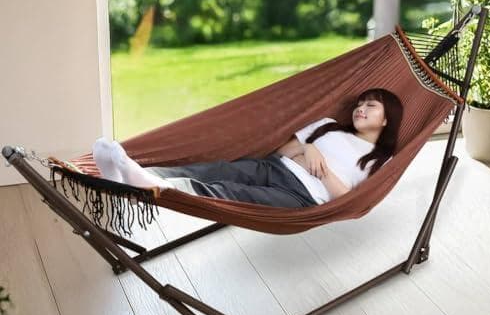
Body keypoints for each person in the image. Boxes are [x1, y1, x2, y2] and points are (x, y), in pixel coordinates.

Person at [93, 88, 403, 208]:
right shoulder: (328, 125)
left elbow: (350, 201)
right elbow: (283, 151)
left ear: (387, 119)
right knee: (214, 170)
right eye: (360, 103)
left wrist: (321, 171)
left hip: (302, 196)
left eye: (371, 106)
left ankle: (149, 183)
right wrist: (309, 150)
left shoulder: (380, 161)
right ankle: (127, 170)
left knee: (229, 193)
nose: (360, 108)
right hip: (273, 167)